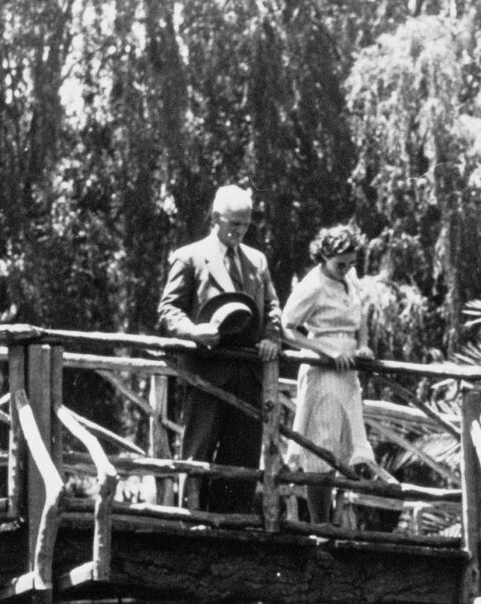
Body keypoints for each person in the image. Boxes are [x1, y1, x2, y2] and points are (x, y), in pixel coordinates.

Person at [158, 185, 282, 514]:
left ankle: (232, 526)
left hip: (248, 375)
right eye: (233, 224)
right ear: (215, 217)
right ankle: (192, 523)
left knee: (242, 456)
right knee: (198, 452)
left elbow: (272, 307)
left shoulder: (257, 261)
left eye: (245, 225)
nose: (239, 231)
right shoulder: (190, 257)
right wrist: (193, 331)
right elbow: (169, 310)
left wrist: (271, 337)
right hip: (206, 372)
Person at [279, 222, 390, 526]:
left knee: (344, 445)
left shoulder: (348, 279)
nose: (347, 269)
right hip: (323, 372)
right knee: (320, 447)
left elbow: (360, 317)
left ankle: (334, 522)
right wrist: (324, 351)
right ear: (324, 256)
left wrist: (363, 345)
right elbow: (287, 328)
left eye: (351, 263)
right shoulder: (312, 286)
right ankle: (320, 524)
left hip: (347, 373)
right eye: (341, 264)